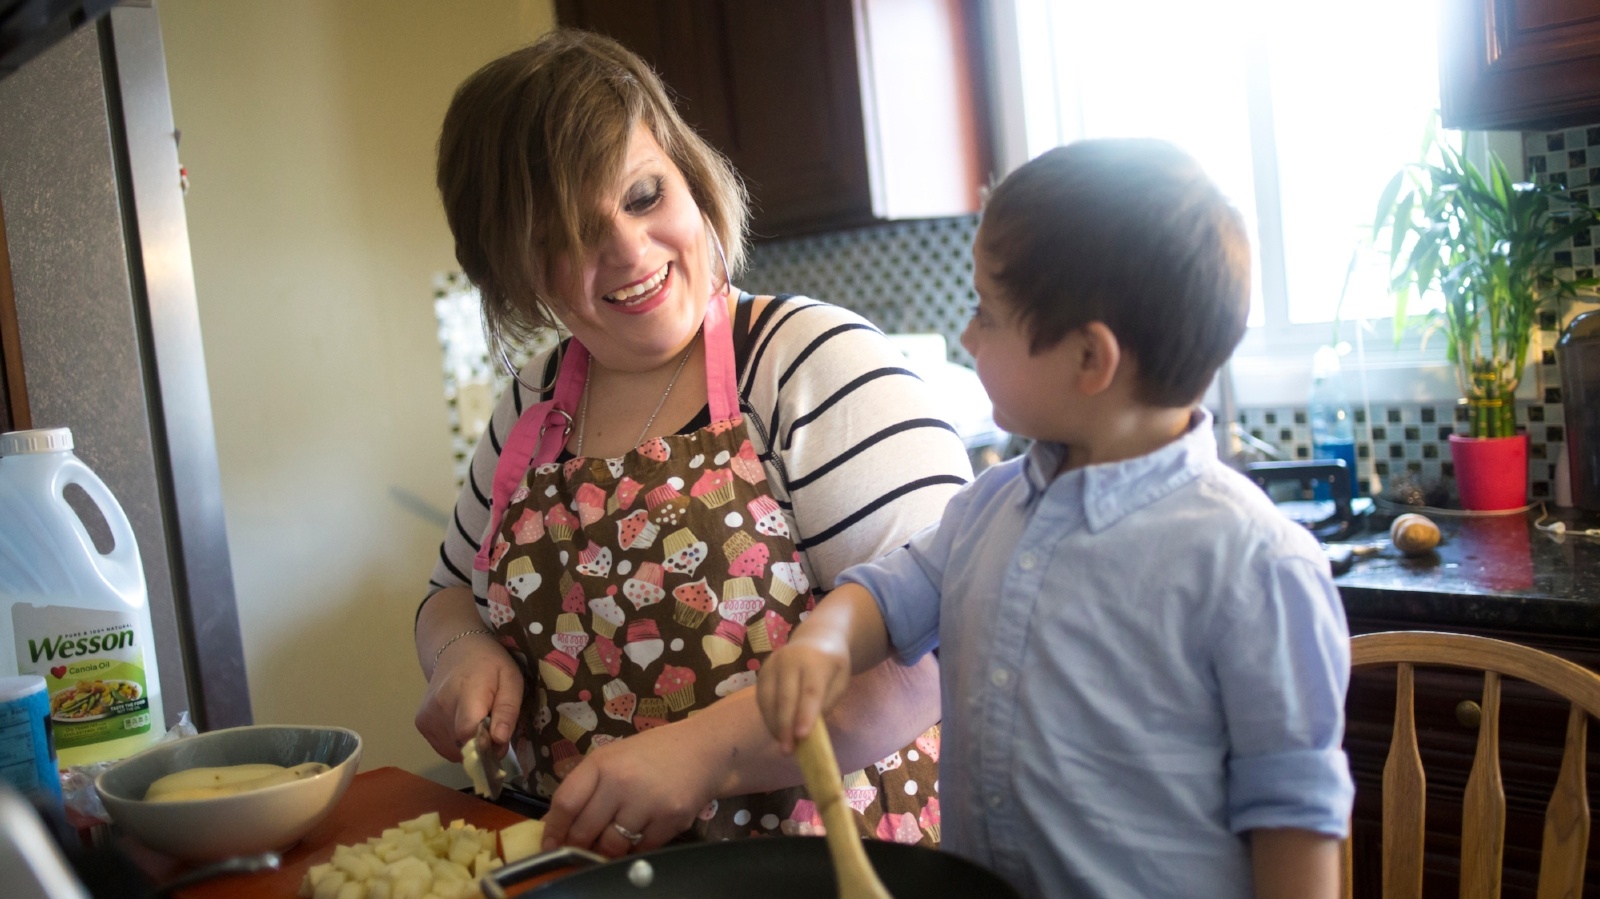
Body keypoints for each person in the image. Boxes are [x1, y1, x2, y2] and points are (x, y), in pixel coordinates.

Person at [413, 29, 972, 859]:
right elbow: (449, 596)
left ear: (689, 174)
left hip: (823, 863)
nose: (630, 252)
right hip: (591, 870)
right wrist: (462, 657)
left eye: (643, 196)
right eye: (567, 236)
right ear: (516, 267)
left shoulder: (809, 360)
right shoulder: (533, 402)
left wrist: (705, 754)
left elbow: (934, 649)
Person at [757, 139, 1354, 899]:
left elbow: (1296, 820)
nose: (968, 336)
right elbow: (893, 590)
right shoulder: (986, 506)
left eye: (986, 314)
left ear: (1089, 360)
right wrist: (826, 640)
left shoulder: (1255, 566)